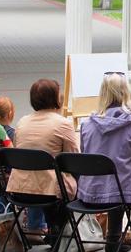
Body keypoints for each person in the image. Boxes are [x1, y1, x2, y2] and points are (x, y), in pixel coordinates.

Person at [77, 73, 131, 252]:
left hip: (90, 192)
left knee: (116, 183)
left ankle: (113, 239)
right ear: (125, 92)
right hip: (124, 194)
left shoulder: (86, 124)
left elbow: (85, 157)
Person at [6, 79, 79, 238]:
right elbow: (73, 159)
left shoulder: (22, 122)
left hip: (20, 189)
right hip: (49, 192)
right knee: (71, 179)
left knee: (39, 174)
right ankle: (61, 232)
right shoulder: (63, 123)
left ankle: (38, 227)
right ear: (56, 98)